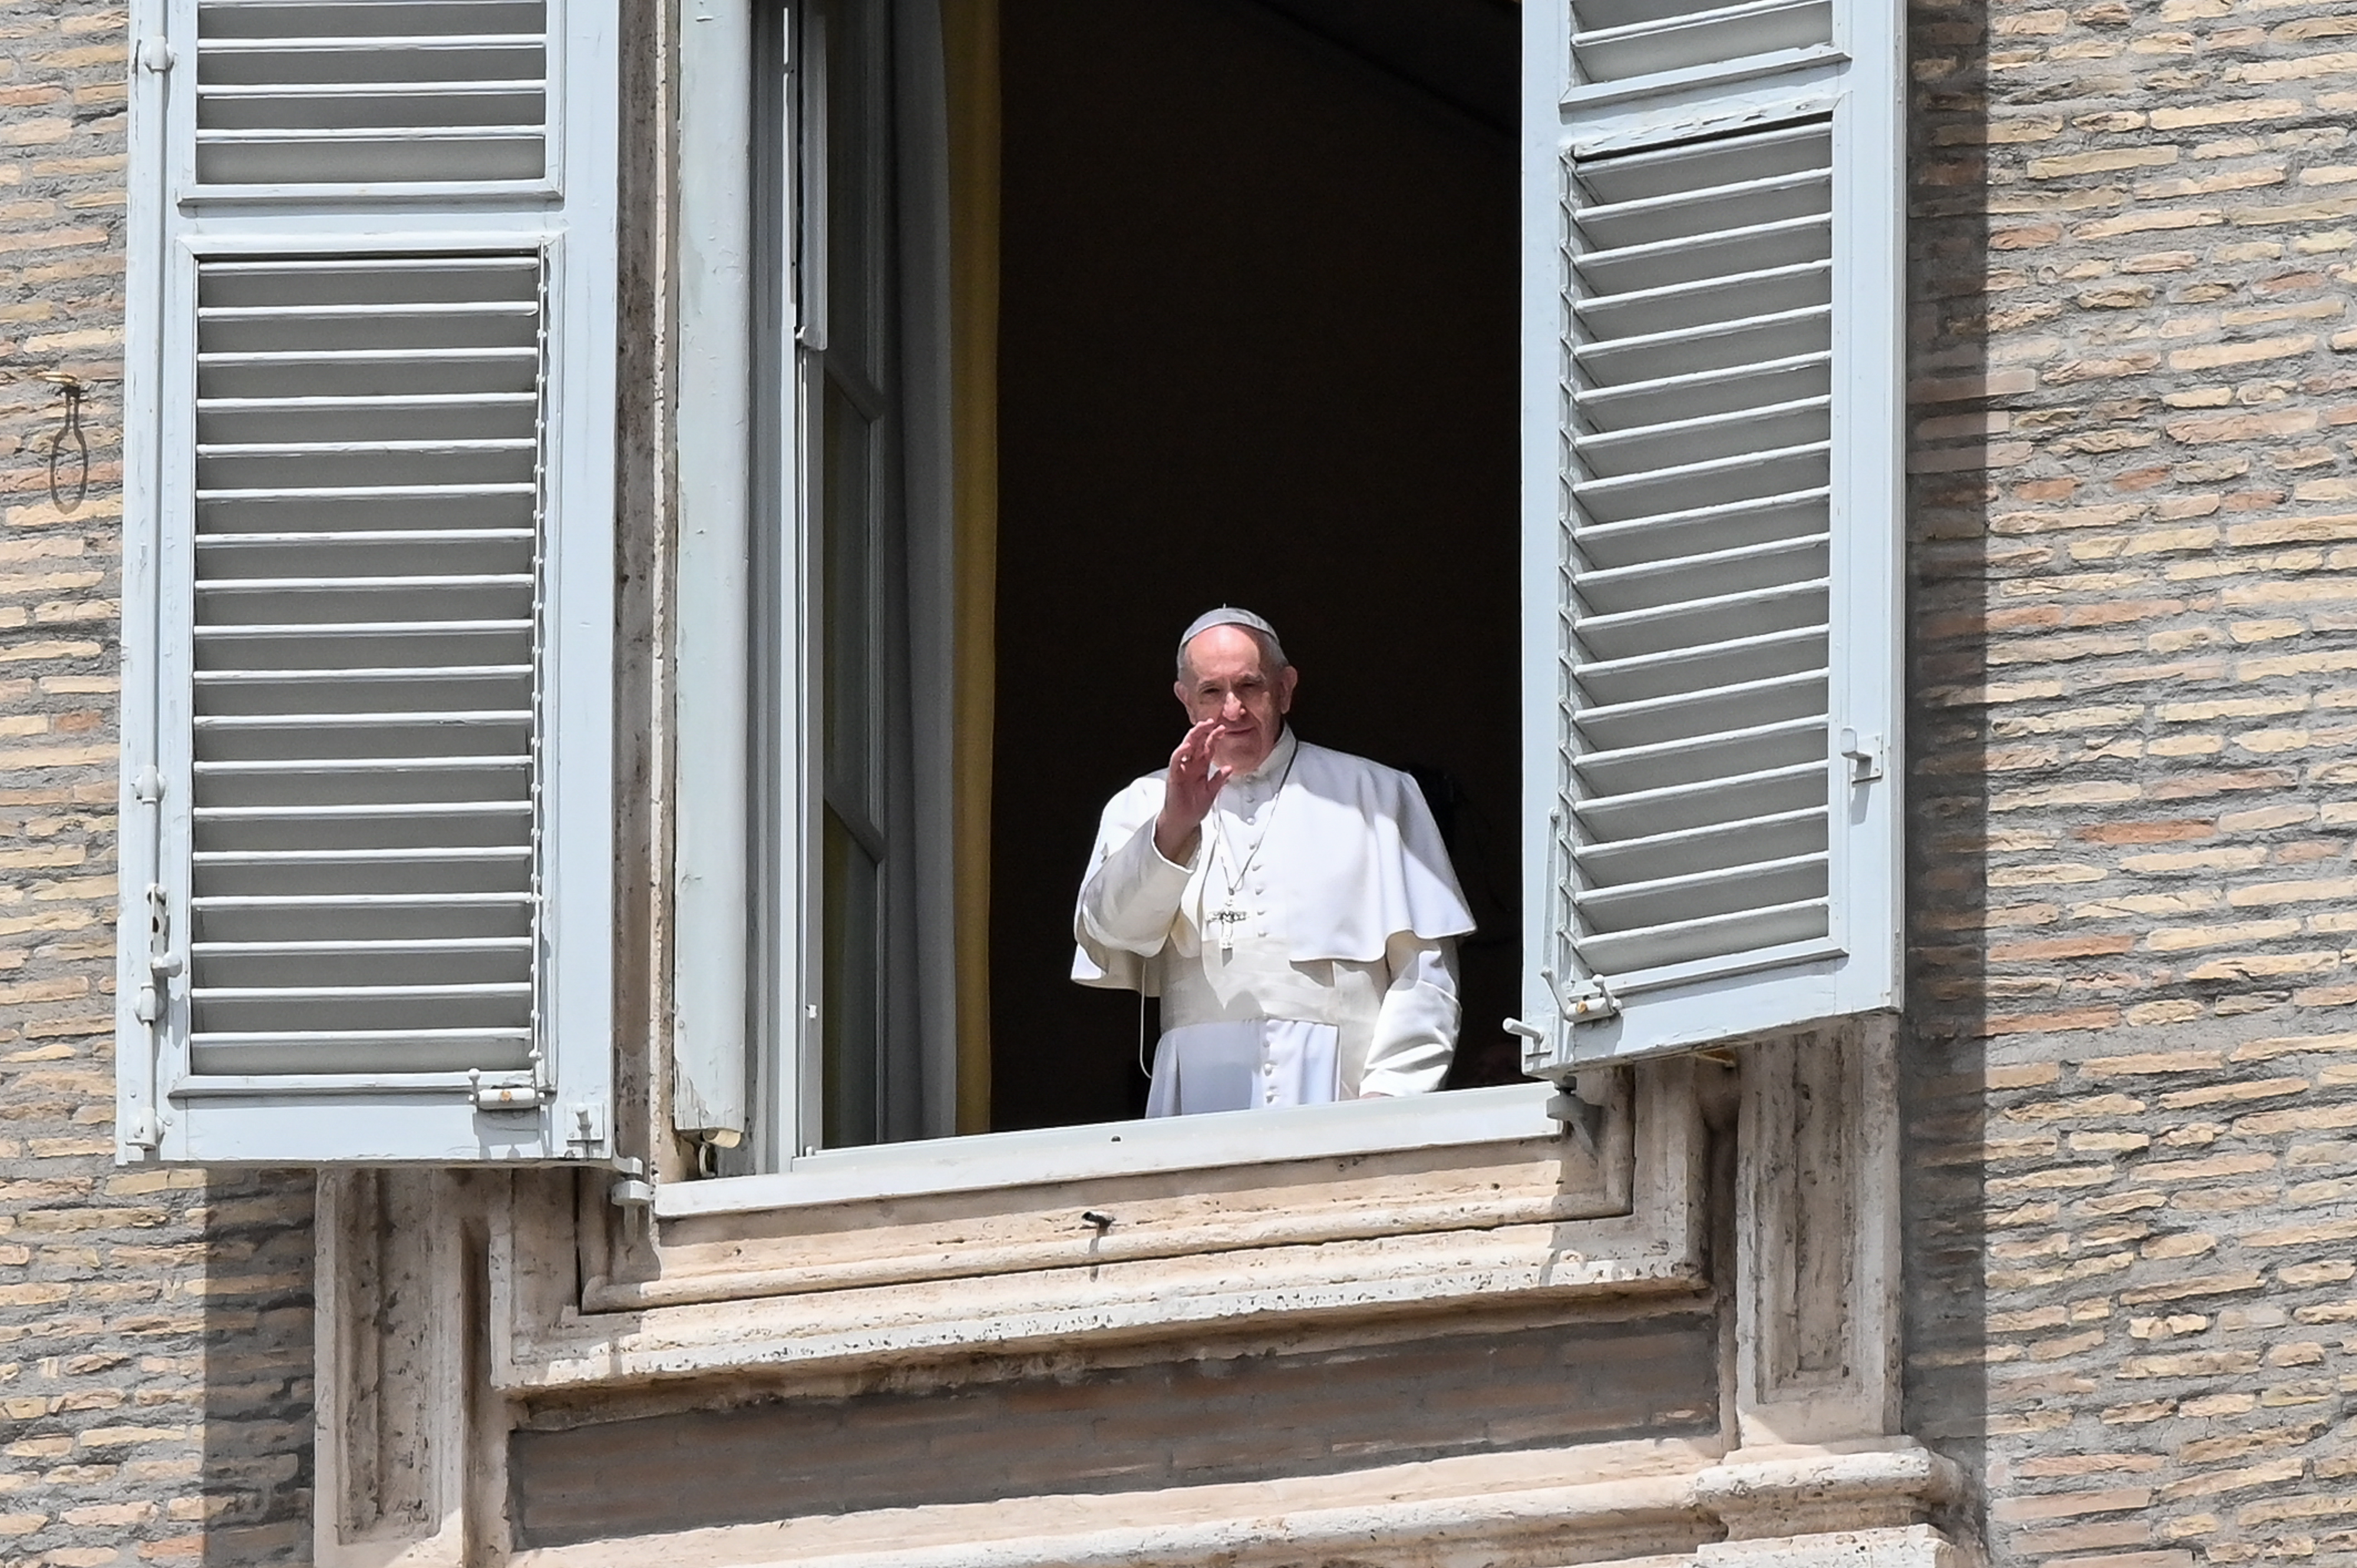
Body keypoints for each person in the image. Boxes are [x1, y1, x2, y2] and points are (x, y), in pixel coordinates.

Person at [1072, 608, 1474, 1117]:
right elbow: (1110, 931)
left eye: (1250, 686)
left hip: (1342, 1088)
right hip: (1197, 1088)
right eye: (1211, 692)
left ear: (1285, 689)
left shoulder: (1376, 795)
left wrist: (1389, 1098)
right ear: (1185, 701)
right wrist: (1174, 827)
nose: (1232, 709)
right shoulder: (1141, 804)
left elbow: (1426, 971)